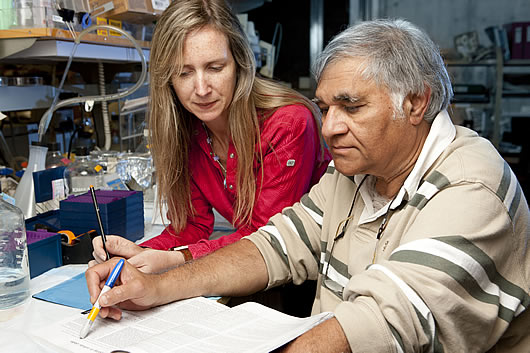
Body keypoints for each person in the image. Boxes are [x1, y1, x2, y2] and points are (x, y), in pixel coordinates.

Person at [86, 19, 530, 352]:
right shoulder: (354, 172)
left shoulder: (472, 188)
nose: (329, 127)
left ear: (416, 102)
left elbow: (382, 324)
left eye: (351, 107)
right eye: (325, 107)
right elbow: (275, 244)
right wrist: (159, 287)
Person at [91, 0, 330, 273]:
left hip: (310, 271)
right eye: (184, 72)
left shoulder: (288, 123)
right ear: (167, 79)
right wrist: (135, 254)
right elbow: (191, 226)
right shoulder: (188, 129)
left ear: (239, 64)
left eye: (215, 68)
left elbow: (268, 238)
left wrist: (179, 259)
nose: (201, 89)